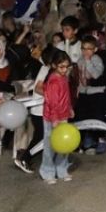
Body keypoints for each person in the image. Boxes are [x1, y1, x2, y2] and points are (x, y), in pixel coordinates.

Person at [40, 51, 74, 184]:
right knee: (50, 145)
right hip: (51, 118)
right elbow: (51, 102)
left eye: (67, 66)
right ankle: (47, 170)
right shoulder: (53, 81)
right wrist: (55, 119)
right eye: (62, 67)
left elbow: (66, 96)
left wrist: (69, 108)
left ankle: (62, 168)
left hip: (64, 115)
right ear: (54, 65)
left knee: (64, 144)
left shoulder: (64, 78)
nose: (65, 70)